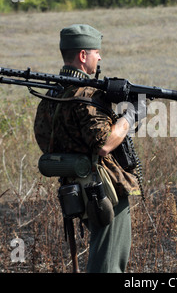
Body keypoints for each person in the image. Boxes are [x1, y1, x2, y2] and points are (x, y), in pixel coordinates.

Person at [34, 24, 143, 273]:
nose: (100, 57)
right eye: (96, 52)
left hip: (75, 187)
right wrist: (131, 116)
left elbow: (44, 140)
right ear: (83, 56)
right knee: (108, 262)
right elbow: (104, 144)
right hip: (105, 189)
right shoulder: (89, 95)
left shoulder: (52, 94)